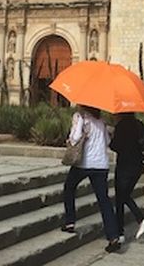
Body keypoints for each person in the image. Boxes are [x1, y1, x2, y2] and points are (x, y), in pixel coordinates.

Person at [61, 106, 121, 253]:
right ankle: (113, 236)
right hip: (101, 165)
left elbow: (74, 139)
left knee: (69, 188)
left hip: (84, 163)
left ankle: (70, 221)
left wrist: (75, 129)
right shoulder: (101, 121)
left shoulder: (80, 117)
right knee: (104, 200)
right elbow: (107, 142)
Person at [109, 112, 144, 242]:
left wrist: (110, 137)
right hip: (138, 167)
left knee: (121, 197)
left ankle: (139, 219)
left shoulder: (121, 126)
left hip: (124, 166)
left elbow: (115, 146)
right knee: (123, 197)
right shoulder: (139, 125)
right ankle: (121, 232)